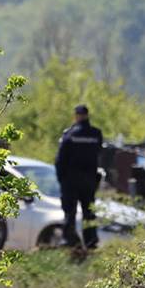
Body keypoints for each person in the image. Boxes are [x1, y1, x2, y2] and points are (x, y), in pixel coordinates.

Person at [56, 104, 104, 249]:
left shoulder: (69, 134)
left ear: (76, 116)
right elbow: (100, 154)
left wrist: (61, 178)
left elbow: (60, 159)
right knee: (89, 211)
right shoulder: (96, 134)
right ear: (87, 115)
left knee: (70, 212)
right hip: (89, 180)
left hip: (70, 180)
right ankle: (91, 241)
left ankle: (70, 241)